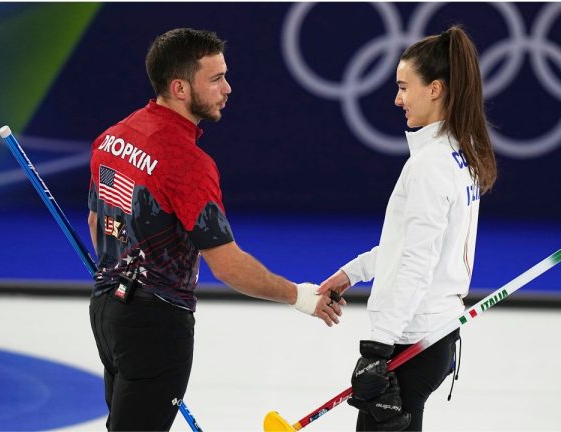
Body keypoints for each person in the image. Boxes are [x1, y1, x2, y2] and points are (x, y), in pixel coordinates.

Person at [86, 28, 344, 431]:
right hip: (156, 325)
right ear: (180, 87)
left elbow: (97, 221)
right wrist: (299, 296)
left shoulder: (112, 138)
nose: (228, 88)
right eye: (215, 78)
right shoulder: (188, 163)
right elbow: (226, 266)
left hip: (107, 310)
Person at [317, 26, 498, 431]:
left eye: (403, 87)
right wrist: (354, 272)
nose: (397, 99)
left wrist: (378, 346)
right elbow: (411, 245)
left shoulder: (429, 166)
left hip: (412, 340)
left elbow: (417, 260)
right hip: (433, 335)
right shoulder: (459, 152)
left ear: (434, 89)